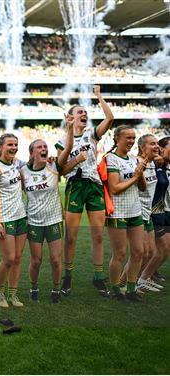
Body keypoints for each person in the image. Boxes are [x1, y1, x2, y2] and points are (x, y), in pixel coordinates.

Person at [56, 85, 115, 297]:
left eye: (85, 112)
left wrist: (99, 95)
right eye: (79, 111)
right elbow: (61, 170)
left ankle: (98, 277)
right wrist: (75, 160)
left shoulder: (92, 134)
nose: (84, 114)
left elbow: (110, 119)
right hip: (75, 185)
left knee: (98, 235)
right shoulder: (63, 140)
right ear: (70, 117)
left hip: (94, 185)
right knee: (71, 236)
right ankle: (67, 277)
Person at [20, 118, 86, 304]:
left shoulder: (54, 166)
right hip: (33, 221)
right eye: (39, 147)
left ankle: (56, 290)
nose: (44, 149)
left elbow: (68, 148)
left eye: (45, 147)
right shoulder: (23, 171)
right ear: (32, 153)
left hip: (54, 220)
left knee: (56, 260)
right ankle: (33, 287)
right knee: (36, 260)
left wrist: (69, 128)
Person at [102, 125, 146, 302]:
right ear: (117, 139)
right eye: (127, 137)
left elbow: (142, 187)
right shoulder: (111, 159)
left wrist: (140, 173)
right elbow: (114, 188)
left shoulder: (135, 159)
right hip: (117, 212)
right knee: (119, 253)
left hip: (135, 211)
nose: (131, 141)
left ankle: (131, 289)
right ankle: (116, 290)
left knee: (138, 252)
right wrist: (135, 177)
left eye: (133, 138)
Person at [0, 134, 27, 308]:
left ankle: (13, 295)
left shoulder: (18, 164)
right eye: (10, 144)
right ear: (1, 147)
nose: (14, 147)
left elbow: (36, 165)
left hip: (21, 217)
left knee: (17, 258)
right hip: (5, 219)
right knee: (8, 258)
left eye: (16, 144)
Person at [139, 137, 170, 289]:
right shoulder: (157, 164)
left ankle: (145, 277)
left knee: (157, 250)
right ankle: (141, 279)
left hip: (162, 210)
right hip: (154, 210)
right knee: (156, 249)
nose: (156, 147)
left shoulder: (162, 164)